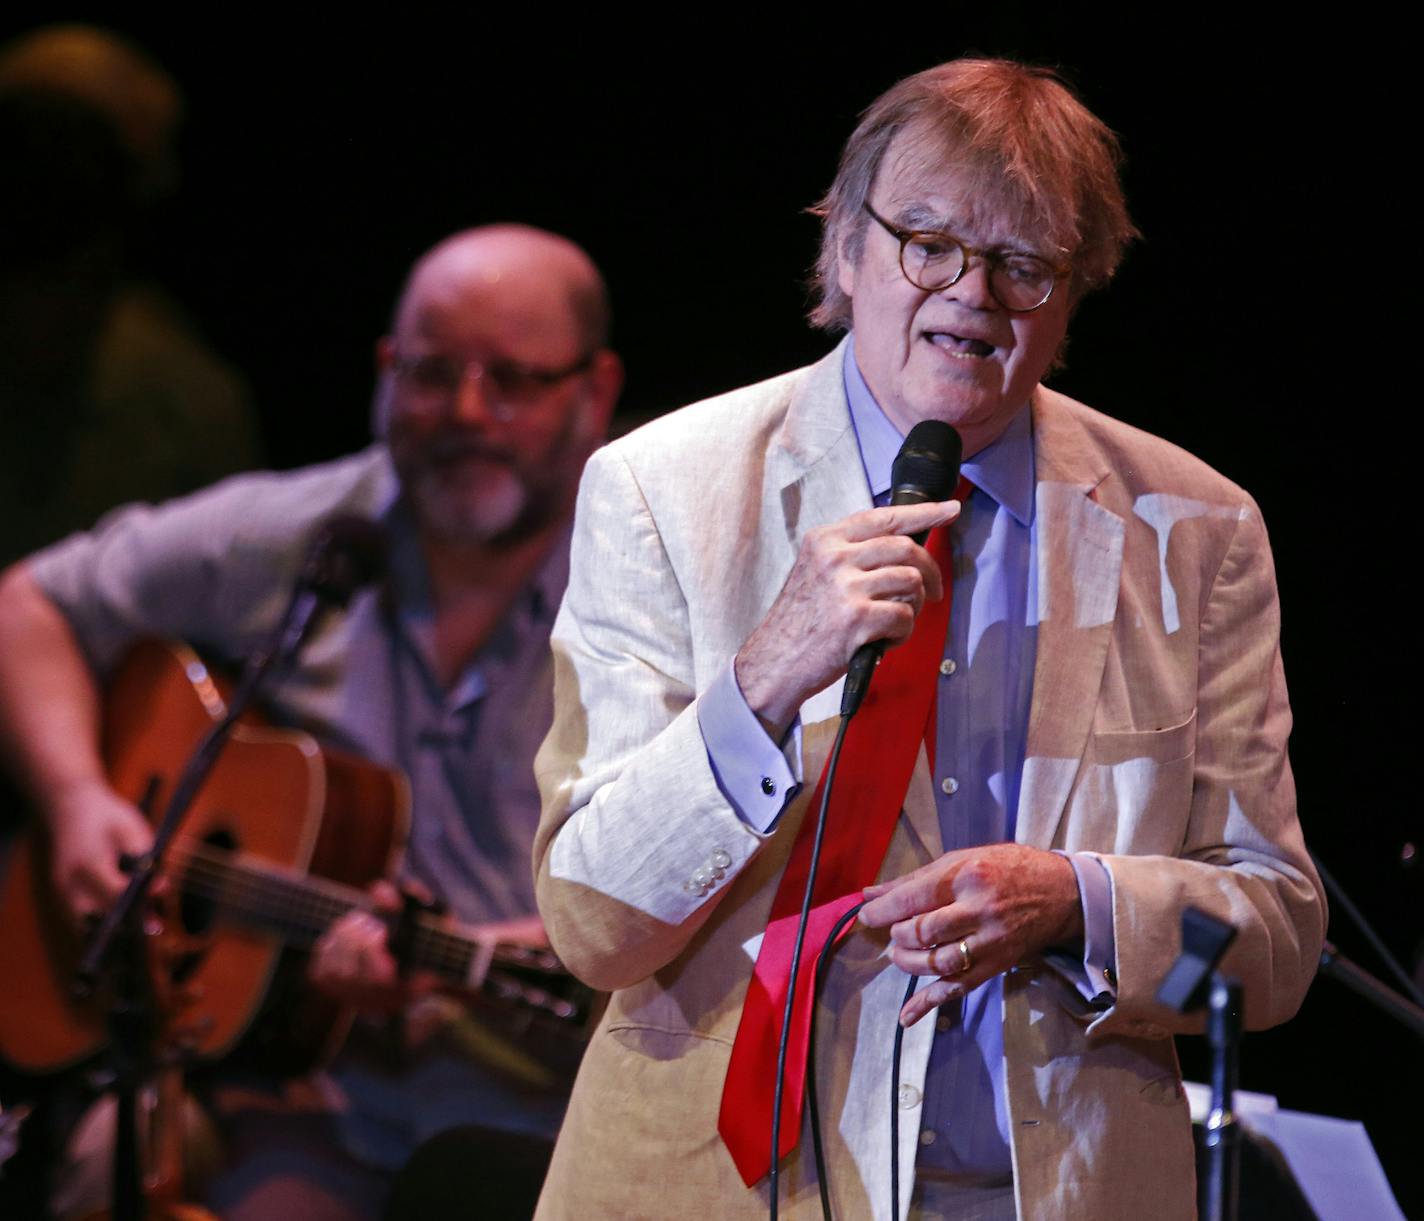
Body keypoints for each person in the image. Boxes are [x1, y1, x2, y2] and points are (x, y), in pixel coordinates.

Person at [531, 59, 1324, 1221]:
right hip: (717, 1186)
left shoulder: (1193, 529)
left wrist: (1078, 904)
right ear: (844, 249)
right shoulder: (661, 490)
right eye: (928, 243)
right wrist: (760, 679)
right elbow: (594, 926)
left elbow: (1269, 955)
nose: (971, 295)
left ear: (1073, 293)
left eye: (1022, 263)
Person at [0, 223, 622, 1219]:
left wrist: (496, 952)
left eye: (511, 379)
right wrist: (78, 801)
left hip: (539, 1111)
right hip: (296, 1095)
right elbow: (28, 606)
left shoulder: (654, 574)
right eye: (429, 374)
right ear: (382, 372)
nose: (466, 413)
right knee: (103, 1163)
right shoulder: (294, 535)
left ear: (592, 392)